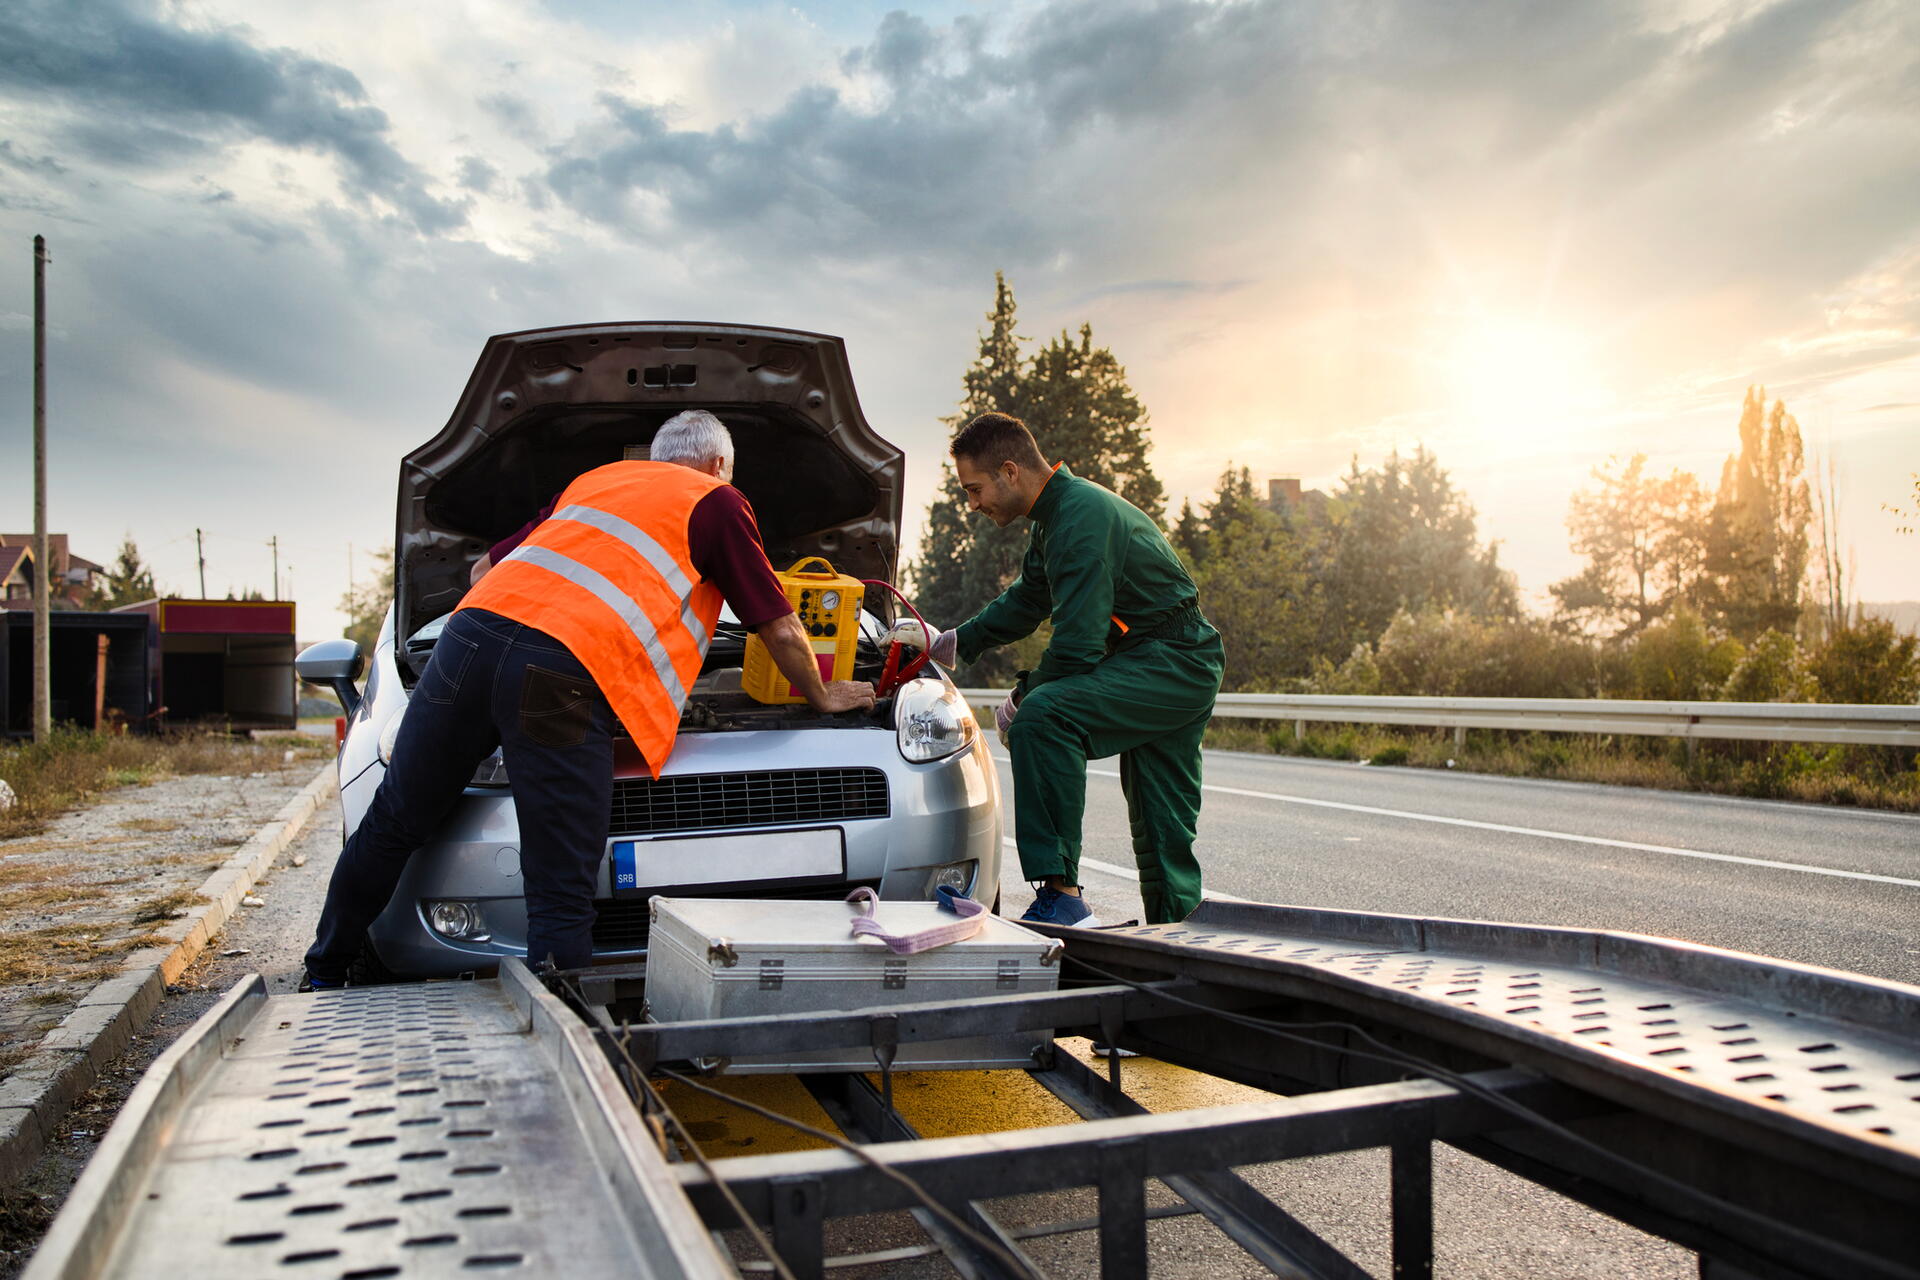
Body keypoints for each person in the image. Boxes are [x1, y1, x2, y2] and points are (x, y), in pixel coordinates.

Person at [301, 410, 875, 988]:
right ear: (719, 465)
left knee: (392, 822)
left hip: (467, 639)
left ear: (654, 458)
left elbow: (481, 570)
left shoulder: (592, 484)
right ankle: (559, 1030)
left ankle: (323, 972)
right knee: (559, 882)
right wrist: (822, 695)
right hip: (559, 669)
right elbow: (778, 626)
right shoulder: (717, 501)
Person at [909, 412, 1224, 927]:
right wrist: (952, 642)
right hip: (1164, 658)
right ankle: (1178, 930)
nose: (973, 505)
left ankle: (1062, 896)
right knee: (1161, 816)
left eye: (975, 489)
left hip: (1172, 660)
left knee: (1045, 718)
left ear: (1010, 471)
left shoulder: (1079, 519)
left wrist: (1024, 696)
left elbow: (1077, 646)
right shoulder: (1058, 517)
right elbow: (1026, 601)